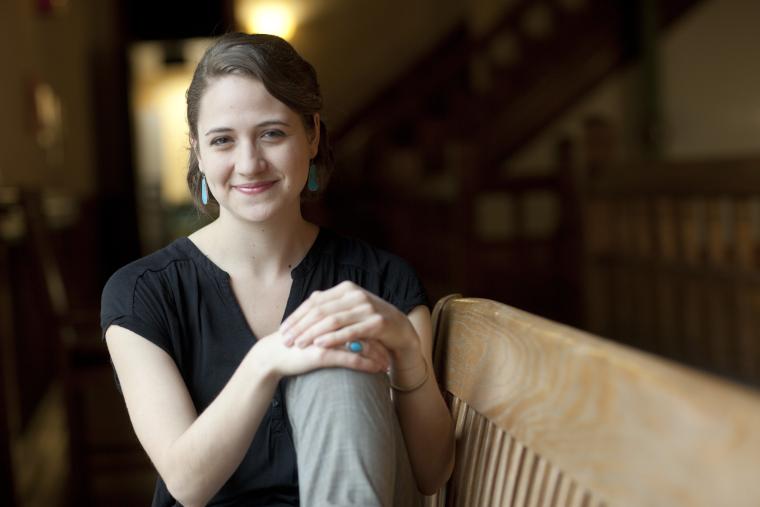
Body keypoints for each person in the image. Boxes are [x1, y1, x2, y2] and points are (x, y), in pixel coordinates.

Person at [101, 32, 455, 507]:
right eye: (222, 141)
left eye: (272, 133)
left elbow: (431, 474)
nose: (249, 164)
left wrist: (408, 353)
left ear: (312, 135)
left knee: (340, 366)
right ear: (198, 152)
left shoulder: (383, 283)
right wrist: (267, 360)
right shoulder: (142, 293)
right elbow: (187, 485)